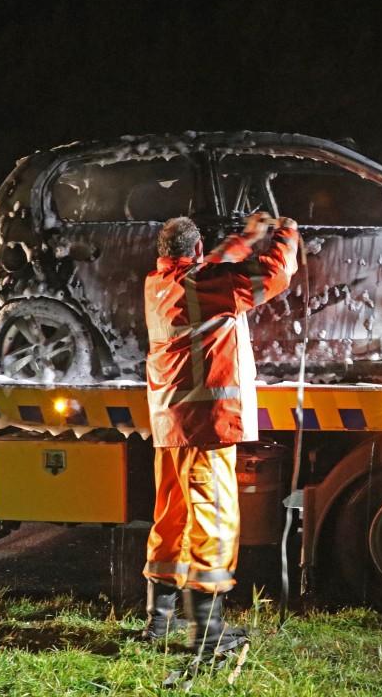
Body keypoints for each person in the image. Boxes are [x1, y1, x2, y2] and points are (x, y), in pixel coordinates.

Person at [142, 212, 298, 660]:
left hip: (170, 425)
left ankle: (159, 619)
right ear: (192, 254)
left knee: (171, 518)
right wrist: (284, 234)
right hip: (206, 426)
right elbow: (272, 277)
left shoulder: (160, 283)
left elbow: (211, 266)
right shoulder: (204, 287)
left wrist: (246, 238)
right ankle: (208, 633)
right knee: (214, 520)